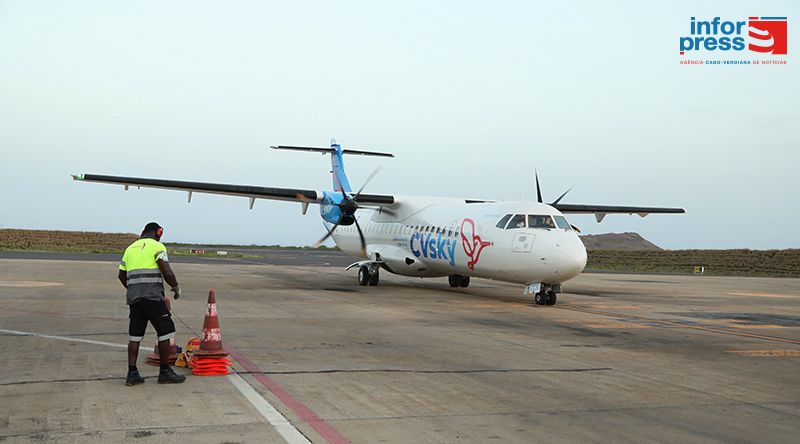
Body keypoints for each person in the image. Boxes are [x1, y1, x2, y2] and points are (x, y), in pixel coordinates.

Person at [118, 222, 186, 385]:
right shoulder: (157, 246)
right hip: (153, 298)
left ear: (143, 232)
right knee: (165, 332)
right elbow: (167, 272)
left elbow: (121, 275)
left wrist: (133, 288)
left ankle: (132, 374)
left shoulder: (130, 249)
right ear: (158, 233)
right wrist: (176, 288)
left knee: (135, 337)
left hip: (135, 299)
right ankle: (165, 372)